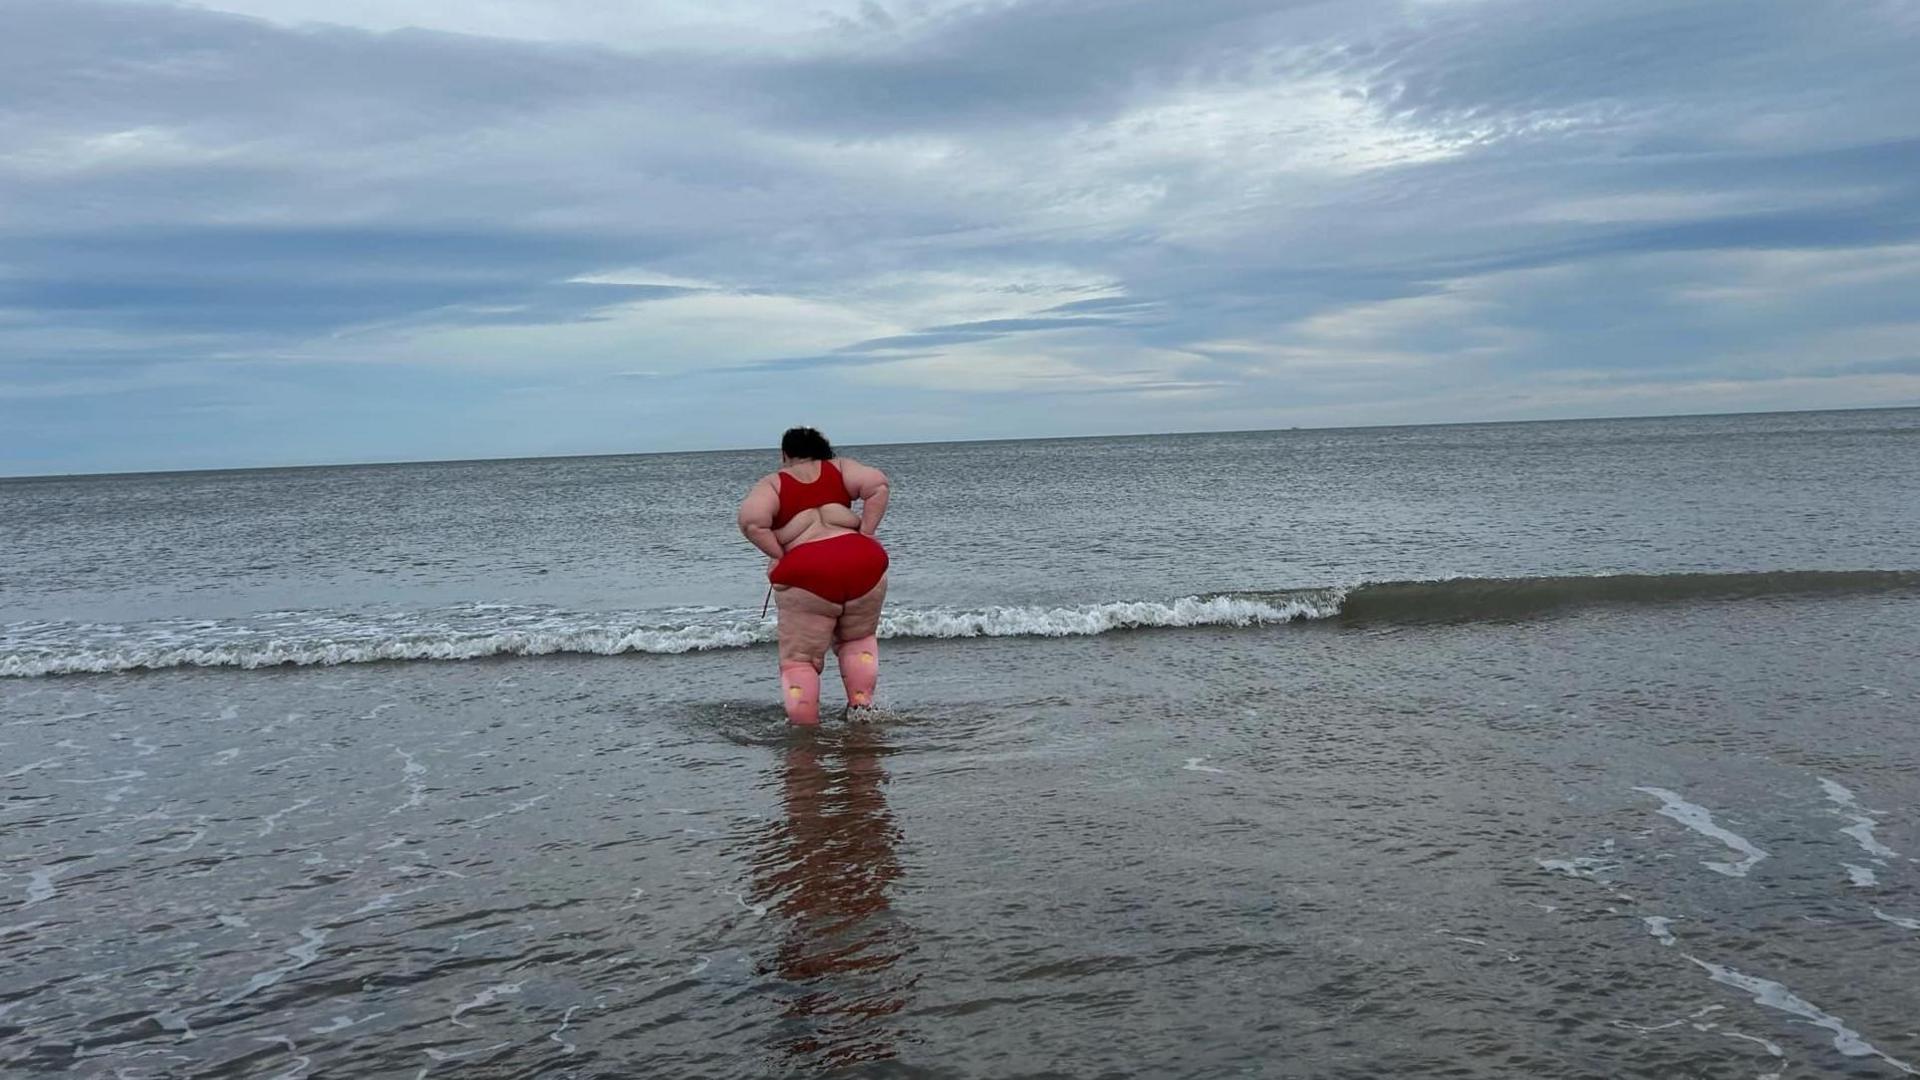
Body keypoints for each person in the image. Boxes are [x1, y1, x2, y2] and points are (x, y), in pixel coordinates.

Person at [737, 427, 891, 725]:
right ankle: (862, 712)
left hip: (807, 573)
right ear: (824, 449)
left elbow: (751, 522)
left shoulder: (773, 483)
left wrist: (779, 556)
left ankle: (804, 730)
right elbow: (878, 486)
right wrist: (867, 534)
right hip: (864, 562)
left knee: (800, 660)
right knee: (858, 640)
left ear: (785, 455)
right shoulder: (841, 468)